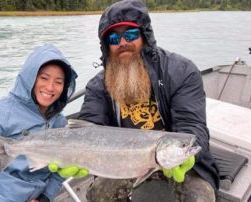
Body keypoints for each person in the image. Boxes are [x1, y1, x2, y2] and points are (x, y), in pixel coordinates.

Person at [78, 0, 220, 201]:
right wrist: (76, 157)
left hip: (175, 159)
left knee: (200, 197)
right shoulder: (97, 86)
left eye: (130, 34)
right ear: (106, 44)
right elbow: (89, 128)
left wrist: (189, 158)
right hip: (123, 162)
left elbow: (192, 126)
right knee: (99, 194)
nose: (122, 42)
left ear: (145, 35)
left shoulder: (181, 71)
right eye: (113, 37)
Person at [0, 44, 81, 202]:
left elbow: (58, 172)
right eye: (44, 78)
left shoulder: (59, 122)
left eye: (58, 82)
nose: (50, 87)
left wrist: (45, 198)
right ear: (30, 77)